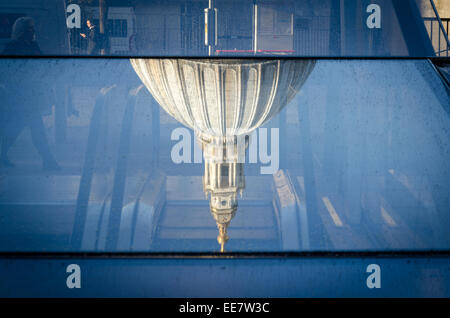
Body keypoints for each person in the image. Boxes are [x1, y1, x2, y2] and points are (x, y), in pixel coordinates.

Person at [0, 17, 60, 170]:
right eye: (29, 29)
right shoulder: (13, 48)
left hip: (28, 95)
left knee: (17, 128)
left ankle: (47, 160)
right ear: (21, 31)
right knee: (34, 129)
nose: (32, 32)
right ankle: (48, 161)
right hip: (20, 95)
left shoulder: (31, 46)